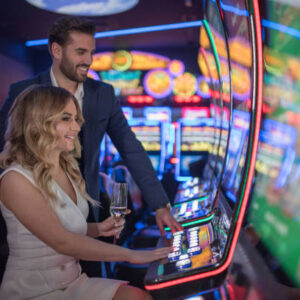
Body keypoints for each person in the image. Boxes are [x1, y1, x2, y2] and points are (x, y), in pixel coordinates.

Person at [0, 16, 182, 235]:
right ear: (57, 51)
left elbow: (130, 147)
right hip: (37, 201)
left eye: (91, 52)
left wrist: (160, 205)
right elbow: (5, 146)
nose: (89, 60)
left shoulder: (103, 94)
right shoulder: (24, 90)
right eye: (80, 52)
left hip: (87, 204)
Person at [0, 85, 171, 300]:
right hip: (33, 289)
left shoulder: (67, 169)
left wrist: (98, 228)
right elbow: (61, 240)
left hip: (72, 280)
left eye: (76, 119)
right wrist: (131, 255)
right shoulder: (16, 179)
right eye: (66, 119)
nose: (76, 127)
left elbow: (64, 226)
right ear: (39, 122)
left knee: (139, 296)